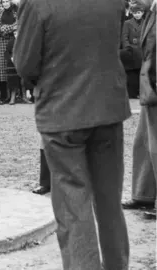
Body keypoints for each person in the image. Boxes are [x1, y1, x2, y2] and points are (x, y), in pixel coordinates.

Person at [14, 0, 131, 269]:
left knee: (72, 205)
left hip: (62, 110)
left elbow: (25, 64)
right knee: (109, 201)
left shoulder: (37, 4)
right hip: (106, 108)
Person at [123, 0, 157, 220]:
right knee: (143, 143)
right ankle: (143, 194)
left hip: (154, 85)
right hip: (150, 87)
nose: (132, 0)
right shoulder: (151, 11)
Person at [121, 5, 145, 99]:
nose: (137, 15)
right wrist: (127, 47)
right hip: (131, 50)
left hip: (142, 50)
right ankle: (133, 92)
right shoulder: (127, 23)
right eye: (135, 13)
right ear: (132, 13)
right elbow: (124, 36)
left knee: (142, 72)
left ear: (142, 13)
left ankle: (143, 92)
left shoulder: (146, 23)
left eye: (139, 13)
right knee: (132, 73)